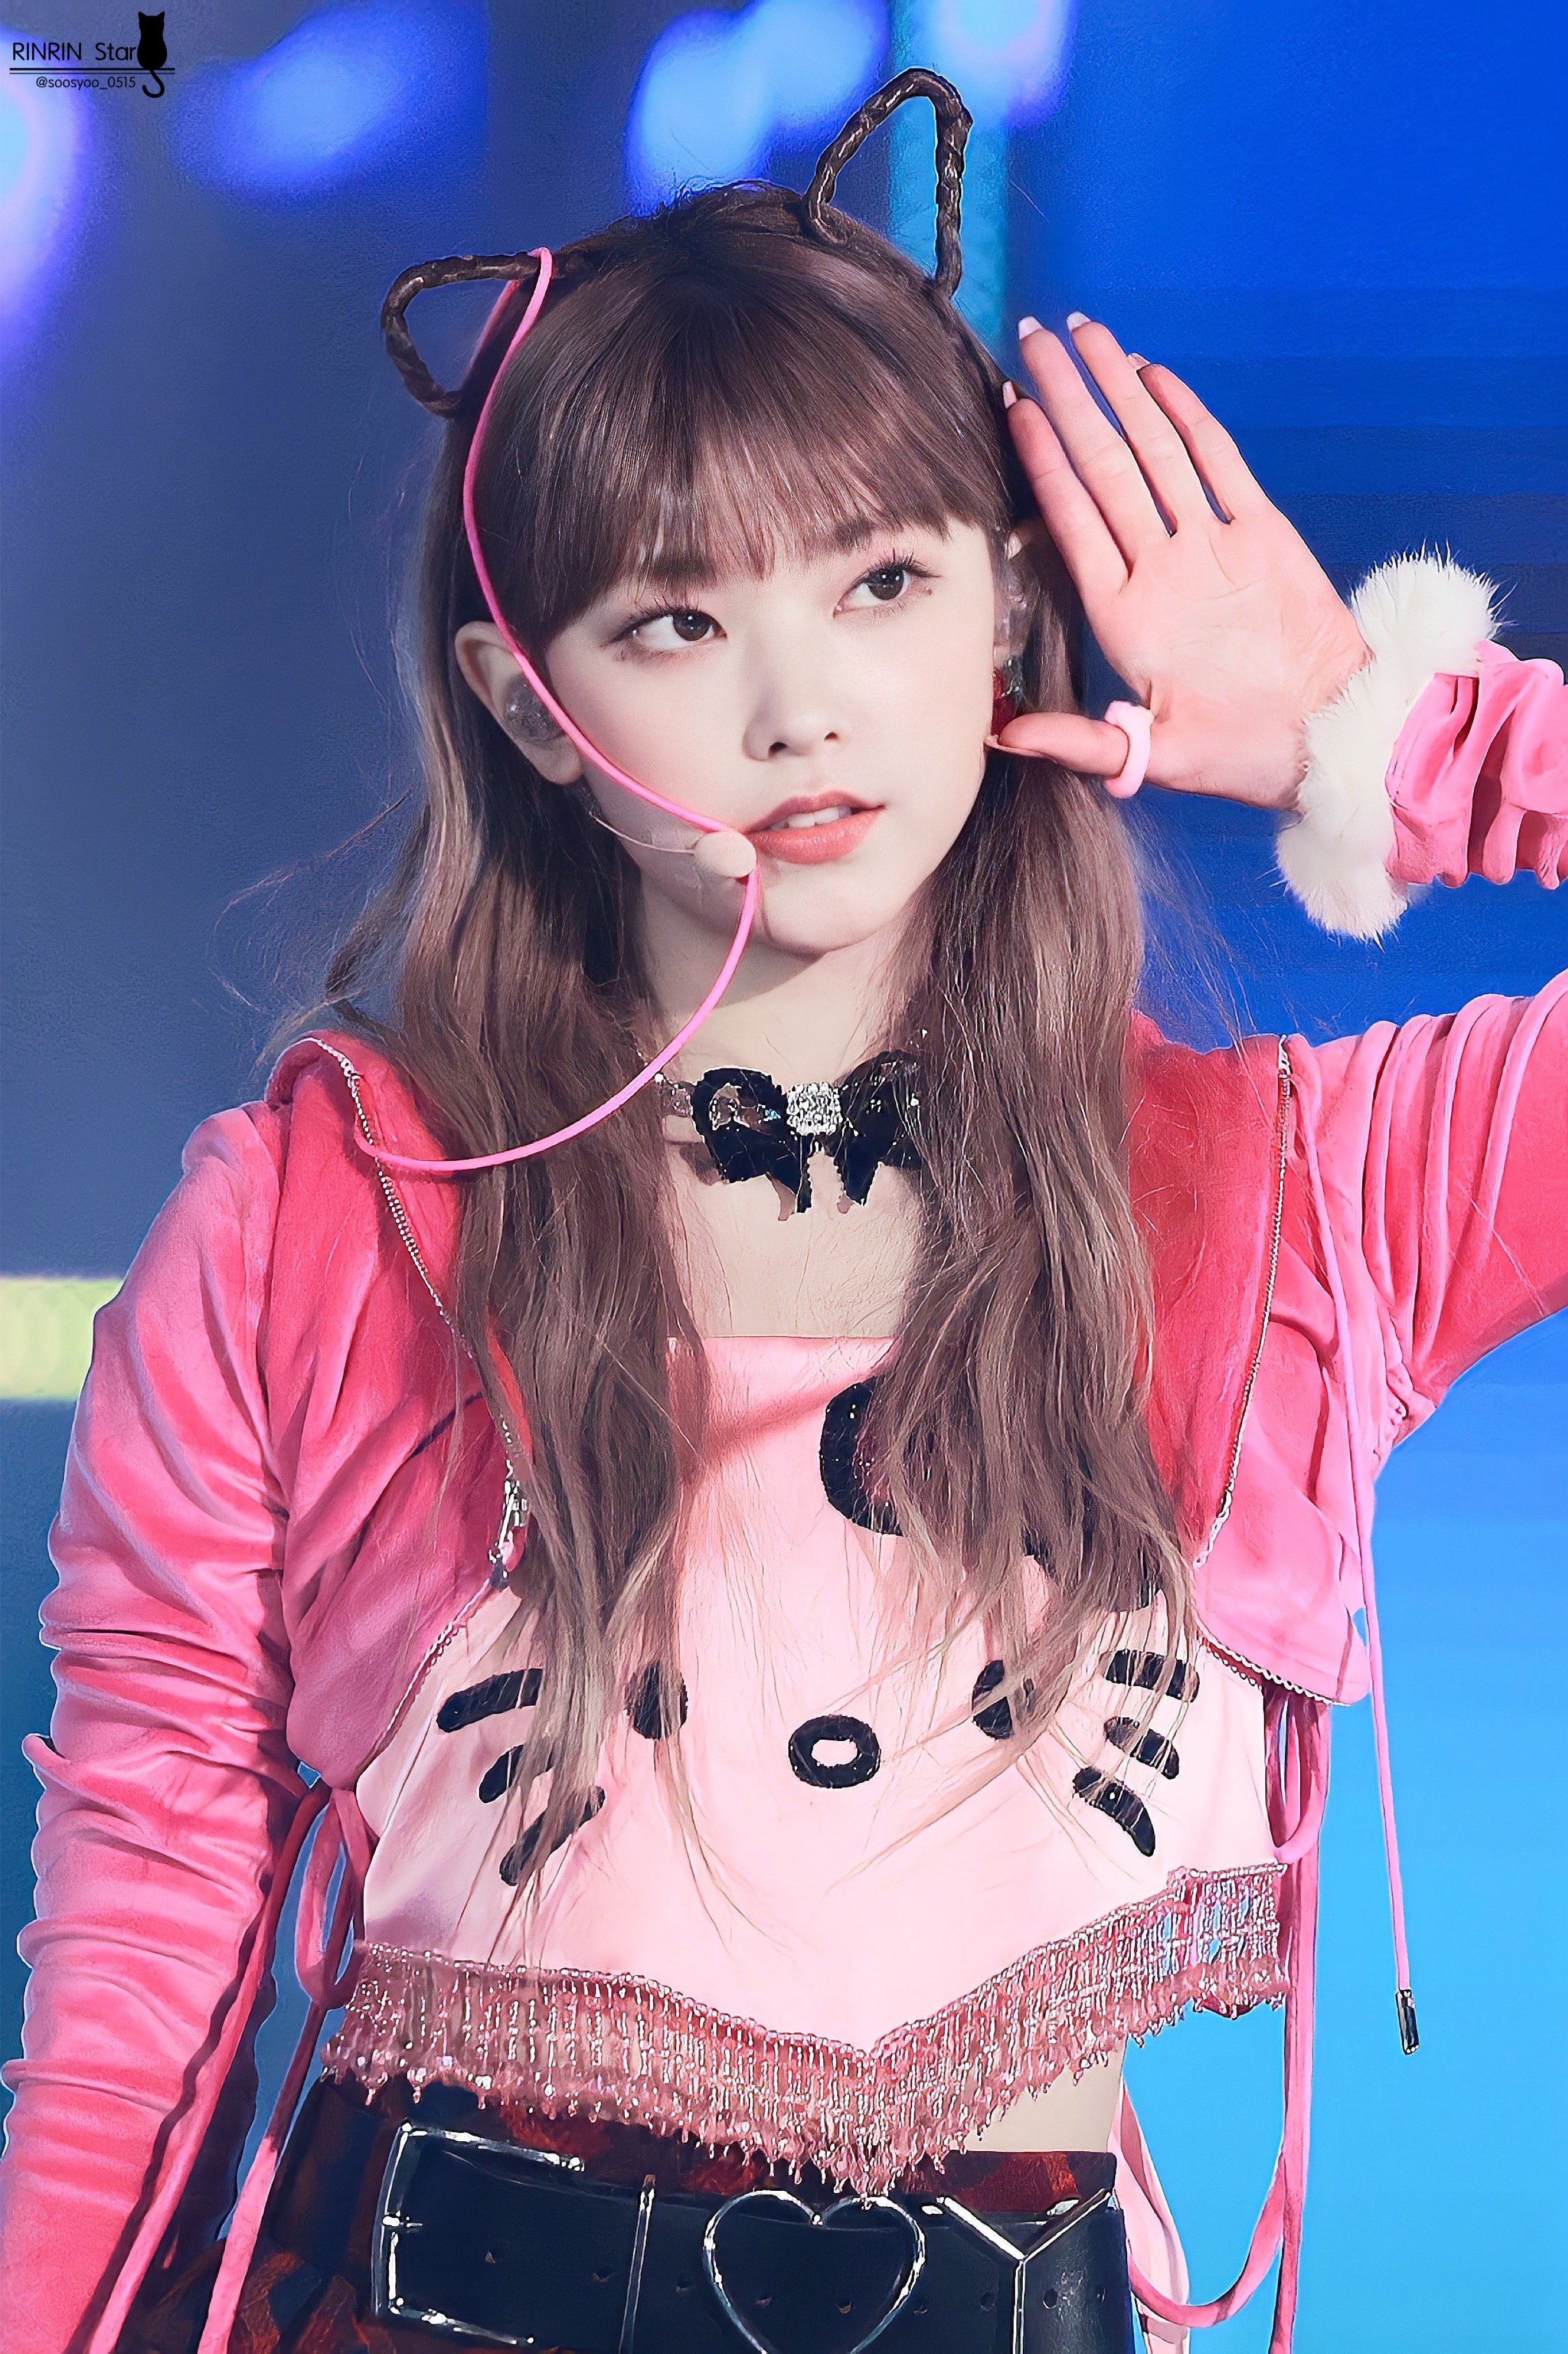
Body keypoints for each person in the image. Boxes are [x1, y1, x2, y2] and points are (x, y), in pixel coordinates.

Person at [1, 69, 1563, 2354]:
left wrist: (1382, 736)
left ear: (1003, 613)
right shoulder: (311, 1220)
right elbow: (139, 1968)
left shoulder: (1306, 1193)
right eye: (672, 620)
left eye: (881, 582)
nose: (800, 704)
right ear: (523, 700)